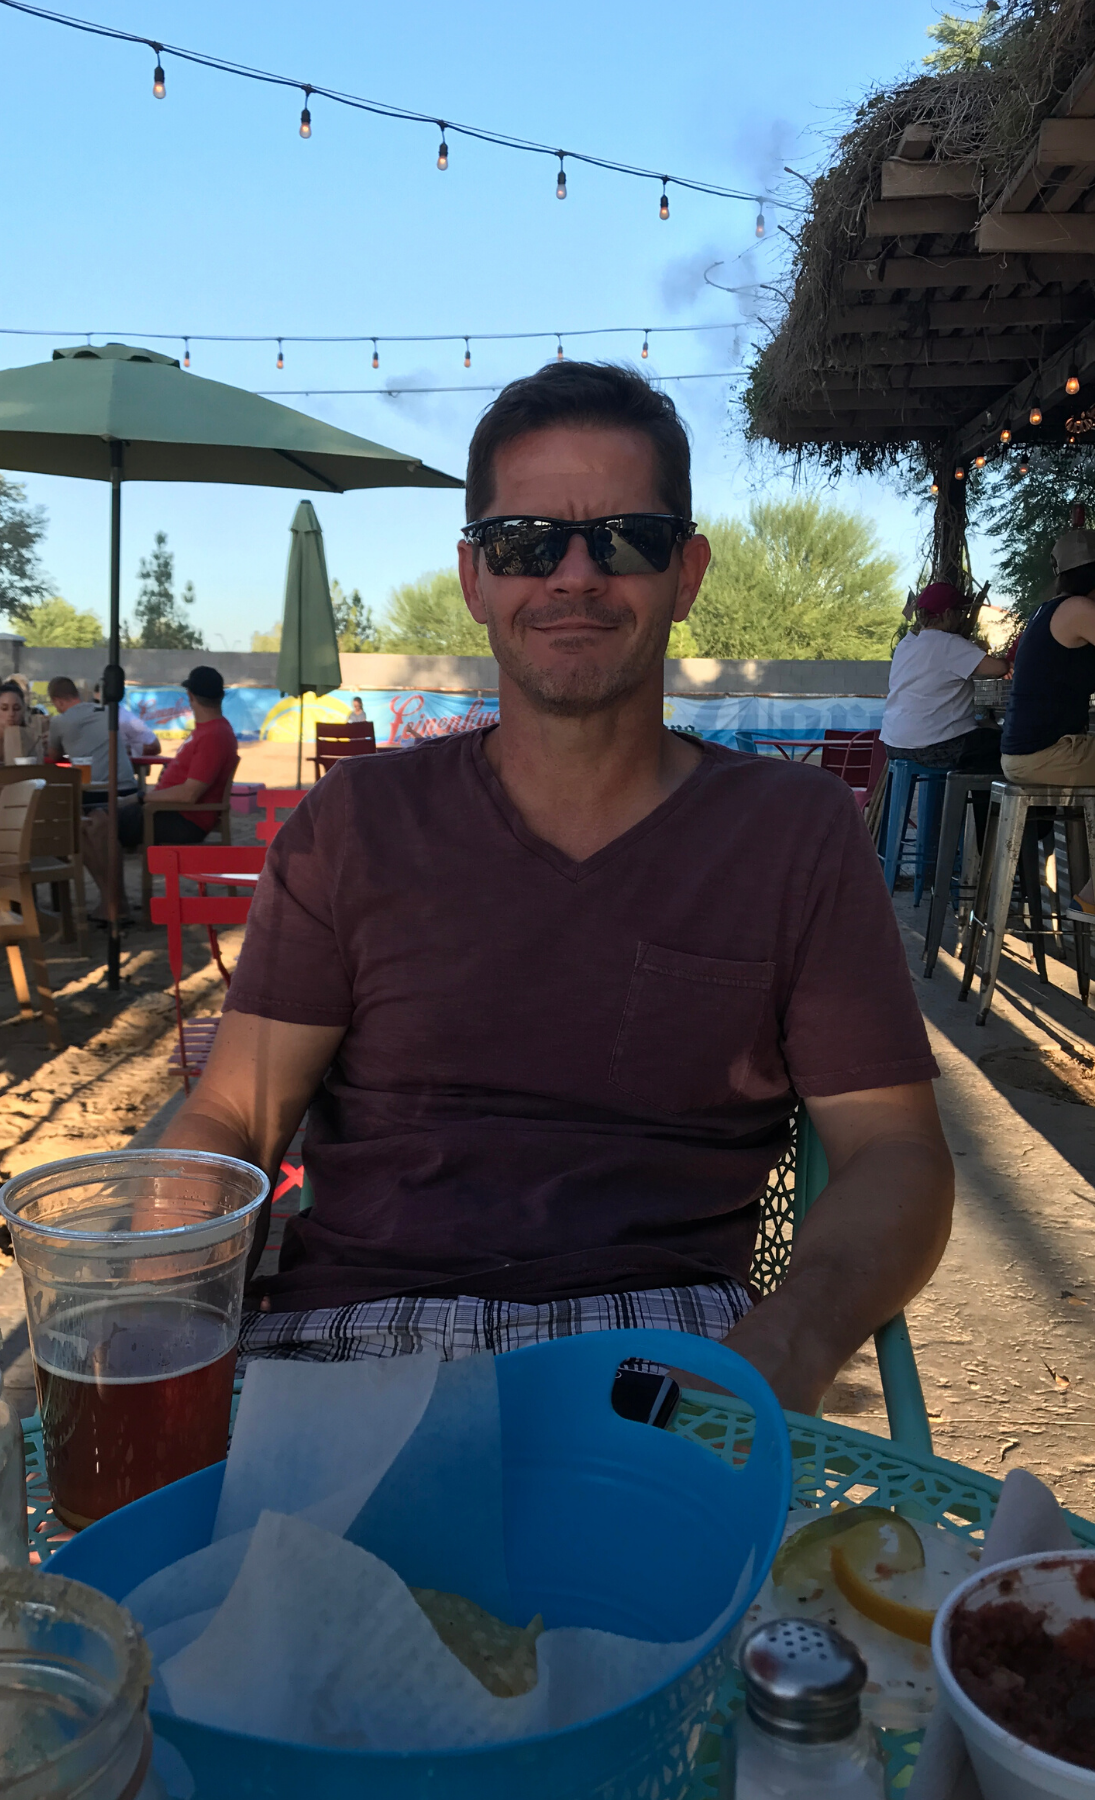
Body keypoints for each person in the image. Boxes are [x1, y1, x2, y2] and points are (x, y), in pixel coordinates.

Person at [159, 361, 952, 1413]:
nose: (574, 575)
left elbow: (894, 1150)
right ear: (475, 577)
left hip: (670, 1349)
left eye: (625, 537)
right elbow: (237, 1114)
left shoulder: (792, 833)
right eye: (527, 542)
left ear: (688, 571)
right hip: (343, 1340)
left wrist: (789, 1347)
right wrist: (137, 1288)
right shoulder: (355, 824)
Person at [81, 665, 237, 925]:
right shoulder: (212, 730)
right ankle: (113, 900)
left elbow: (189, 794)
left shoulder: (213, 734)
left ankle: (115, 904)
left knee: (97, 822)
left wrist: (143, 798)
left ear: (190, 697)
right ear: (220, 696)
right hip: (169, 812)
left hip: (181, 818)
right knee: (88, 823)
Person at [1000, 524, 1095, 912]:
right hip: (1046, 754)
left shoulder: (1048, 611)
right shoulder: (1079, 610)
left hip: (1024, 754)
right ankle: (1092, 895)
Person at [881, 582, 1008, 771]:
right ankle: (984, 801)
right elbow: (998, 668)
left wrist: (972, 651)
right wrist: (980, 652)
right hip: (935, 746)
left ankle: (959, 798)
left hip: (894, 745)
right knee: (1005, 745)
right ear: (948, 614)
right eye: (959, 612)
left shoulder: (905, 645)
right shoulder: (949, 644)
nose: (962, 618)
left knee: (983, 743)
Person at [46, 677, 136, 808]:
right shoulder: (104, 711)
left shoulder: (59, 721)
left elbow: (53, 755)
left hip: (95, 793)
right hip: (128, 789)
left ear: (57, 701)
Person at [93, 681, 162, 759]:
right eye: (95, 702)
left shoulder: (126, 720)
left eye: (102, 703)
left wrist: (123, 750)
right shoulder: (88, 715)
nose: (96, 706)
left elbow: (155, 747)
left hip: (124, 766)